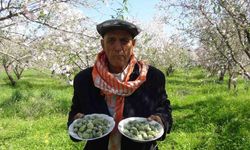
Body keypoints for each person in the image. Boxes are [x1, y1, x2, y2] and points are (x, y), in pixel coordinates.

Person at [67, 19, 173, 150]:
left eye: (124, 41)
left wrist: (161, 119)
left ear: (133, 44)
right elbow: (75, 111)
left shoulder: (152, 77)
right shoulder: (84, 80)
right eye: (111, 40)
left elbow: (164, 107)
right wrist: (75, 120)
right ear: (102, 44)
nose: (117, 47)